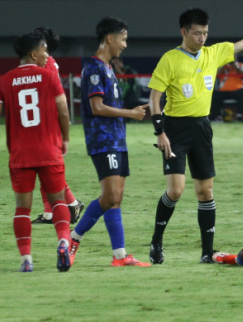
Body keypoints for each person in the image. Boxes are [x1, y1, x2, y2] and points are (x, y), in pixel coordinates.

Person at [147, 8, 243, 264]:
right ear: (184, 32)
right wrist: (160, 132)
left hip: (202, 129)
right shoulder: (169, 59)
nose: (202, 38)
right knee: (176, 191)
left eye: (205, 33)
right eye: (196, 33)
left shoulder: (212, 53)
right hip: (175, 130)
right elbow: (154, 98)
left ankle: (207, 252)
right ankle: (156, 242)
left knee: (206, 192)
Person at [69, 17, 150, 267]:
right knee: (109, 196)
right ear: (109, 38)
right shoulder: (93, 67)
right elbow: (96, 107)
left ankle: (120, 255)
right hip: (103, 142)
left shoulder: (108, 68)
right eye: (123, 39)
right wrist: (131, 113)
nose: (125, 44)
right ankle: (73, 237)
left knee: (117, 198)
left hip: (117, 141)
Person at [0, 31, 72, 272]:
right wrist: (65, 138)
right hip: (49, 150)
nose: (47, 55)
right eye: (44, 50)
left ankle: (26, 260)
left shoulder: (5, 80)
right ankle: (63, 240)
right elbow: (63, 110)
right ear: (33, 53)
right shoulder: (48, 76)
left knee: (22, 208)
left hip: (20, 154)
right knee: (58, 200)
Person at [32, 26, 85, 225]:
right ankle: (51, 213)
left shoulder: (45, 64)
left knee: (48, 171)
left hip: (47, 125)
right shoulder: (46, 63)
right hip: (43, 123)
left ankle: (72, 203)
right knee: (44, 171)